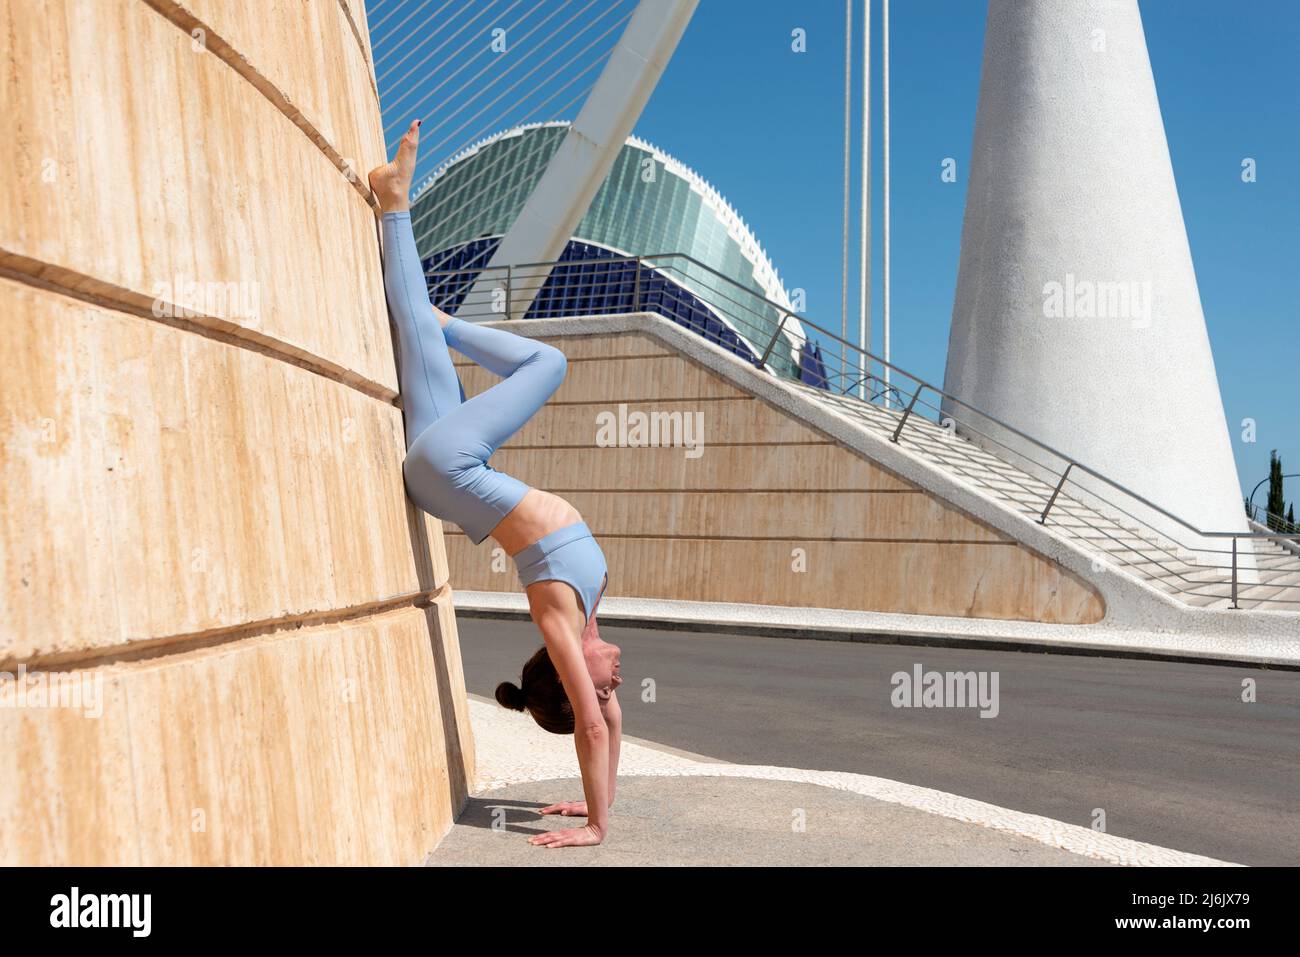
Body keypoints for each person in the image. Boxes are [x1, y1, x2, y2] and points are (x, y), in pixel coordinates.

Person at [369, 120, 622, 849]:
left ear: (572, 669)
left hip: (450, 468)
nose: (616, 677)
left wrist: (597, 828)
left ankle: (447, 320)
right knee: (414, 334)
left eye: (602, 682)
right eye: (608, 685)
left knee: (546, 364)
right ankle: (394, 204)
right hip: (444, 468)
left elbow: (593, 720)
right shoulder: (589, 616)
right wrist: (596, 800)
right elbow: (610, 724)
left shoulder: (558, 620)